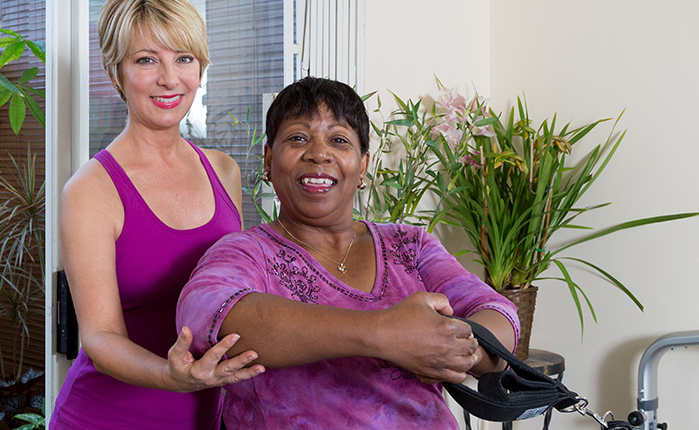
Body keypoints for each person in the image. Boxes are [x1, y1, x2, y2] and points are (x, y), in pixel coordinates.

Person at [177, 76, 520, 429]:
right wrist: (384, 333)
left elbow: (498, 315)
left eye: (339, 140)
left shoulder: (409, 244)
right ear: (268, 159)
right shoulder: (247, 252)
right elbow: (207, 315)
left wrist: (458, 349)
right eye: (298, 138)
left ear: (363, 166)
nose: (319, 153)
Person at [50, 0, 264, 429]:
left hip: (206, 416)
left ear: (201, 68)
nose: (170, 79)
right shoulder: (91, 190)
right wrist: (171, 376)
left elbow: (234, 291)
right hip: (108, 417)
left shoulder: (223, 170)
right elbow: (99, 336)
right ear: (117, 73)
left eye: (184, 58)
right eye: (147, 60)